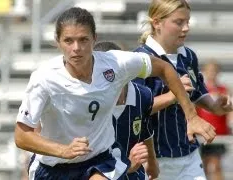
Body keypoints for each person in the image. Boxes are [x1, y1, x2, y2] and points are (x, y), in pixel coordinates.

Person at [14, 7, 215, 180]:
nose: (76, 48)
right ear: (58, 41)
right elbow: (22, 137)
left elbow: (163, 68)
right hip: (53, 167)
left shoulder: (115, 64)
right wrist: (64, 150)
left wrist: (192, 116)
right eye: (69, 40)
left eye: (83, 39)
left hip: (100, 160)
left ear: (95, 38)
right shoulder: (44, 78)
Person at [133, 0, 233, 179]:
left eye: (187, 21)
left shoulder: (188, 56)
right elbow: (135, 110)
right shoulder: (139, 60)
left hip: (189, 156)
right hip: (152, 160)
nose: (186, 28)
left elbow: (197, 93)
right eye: (179, 22)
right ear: (157, 23)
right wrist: (173, 95)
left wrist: (214, 105)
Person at [94, 41, 159, 180]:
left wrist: (152, 163)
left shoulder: (143, 95)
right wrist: (127, 166)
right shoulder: (87, 102)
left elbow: (145, 131)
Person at [197, 61, 231, 180]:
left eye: (214, 71)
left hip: (219, 133)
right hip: (203, 132)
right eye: (210, 71)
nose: (212, 74)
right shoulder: (201, 90)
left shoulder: (223, 90)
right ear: (205, 72)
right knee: (204, 165)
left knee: (216, 165)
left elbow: (229, 110)